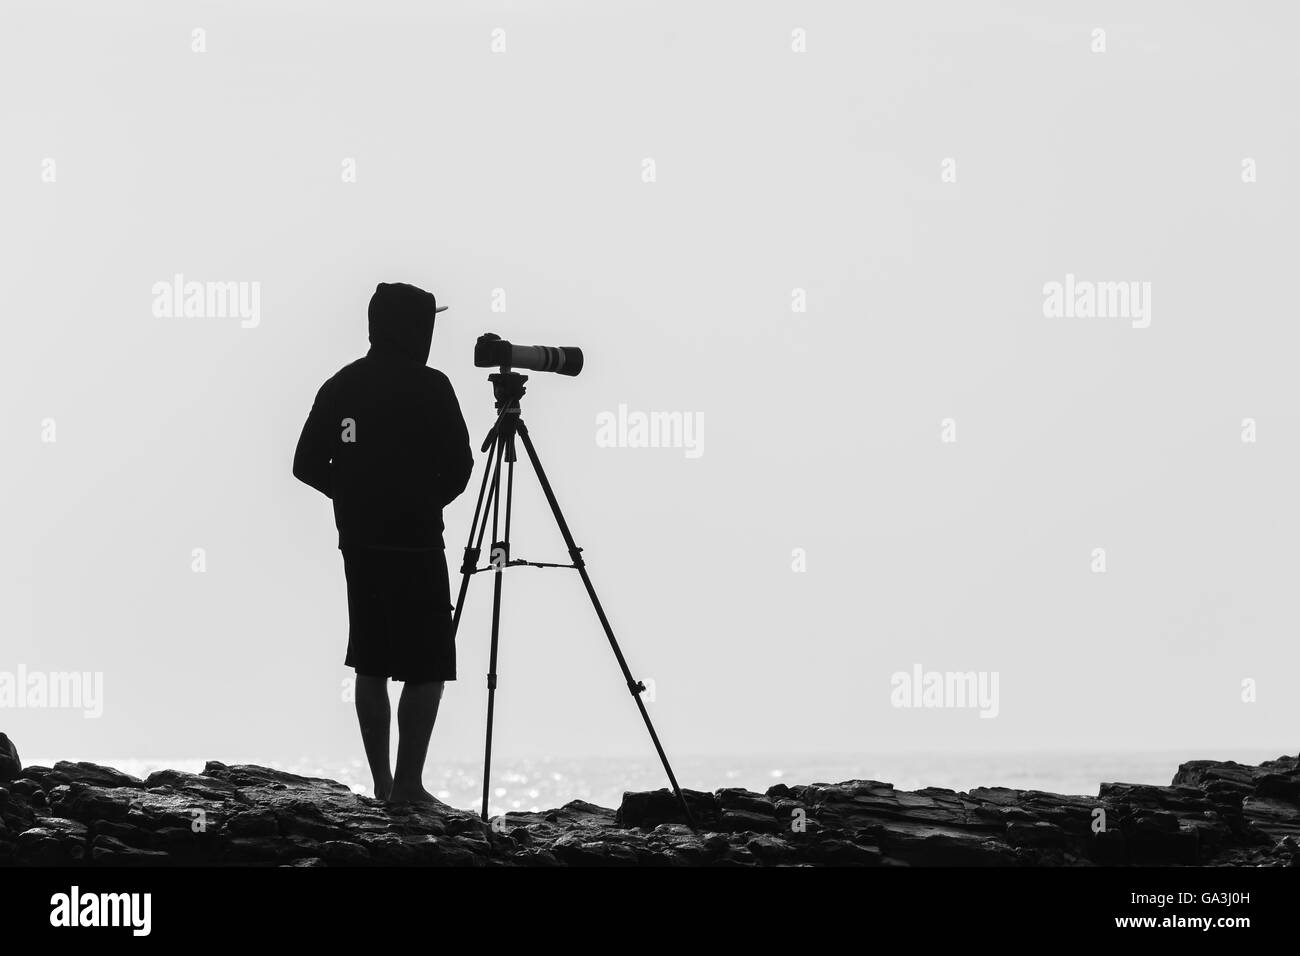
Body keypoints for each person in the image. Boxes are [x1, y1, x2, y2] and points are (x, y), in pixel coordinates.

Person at [293, 282, 474, 803]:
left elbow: (306, 463)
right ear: (418, 329)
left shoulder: (342, 385)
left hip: (360, 541)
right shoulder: (433, 386)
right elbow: (460, 467)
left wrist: (351, 494)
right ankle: (410, 786)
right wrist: (423, 500)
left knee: (370, 660)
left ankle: (383, 785)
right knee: (429, 663)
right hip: (417, 543)